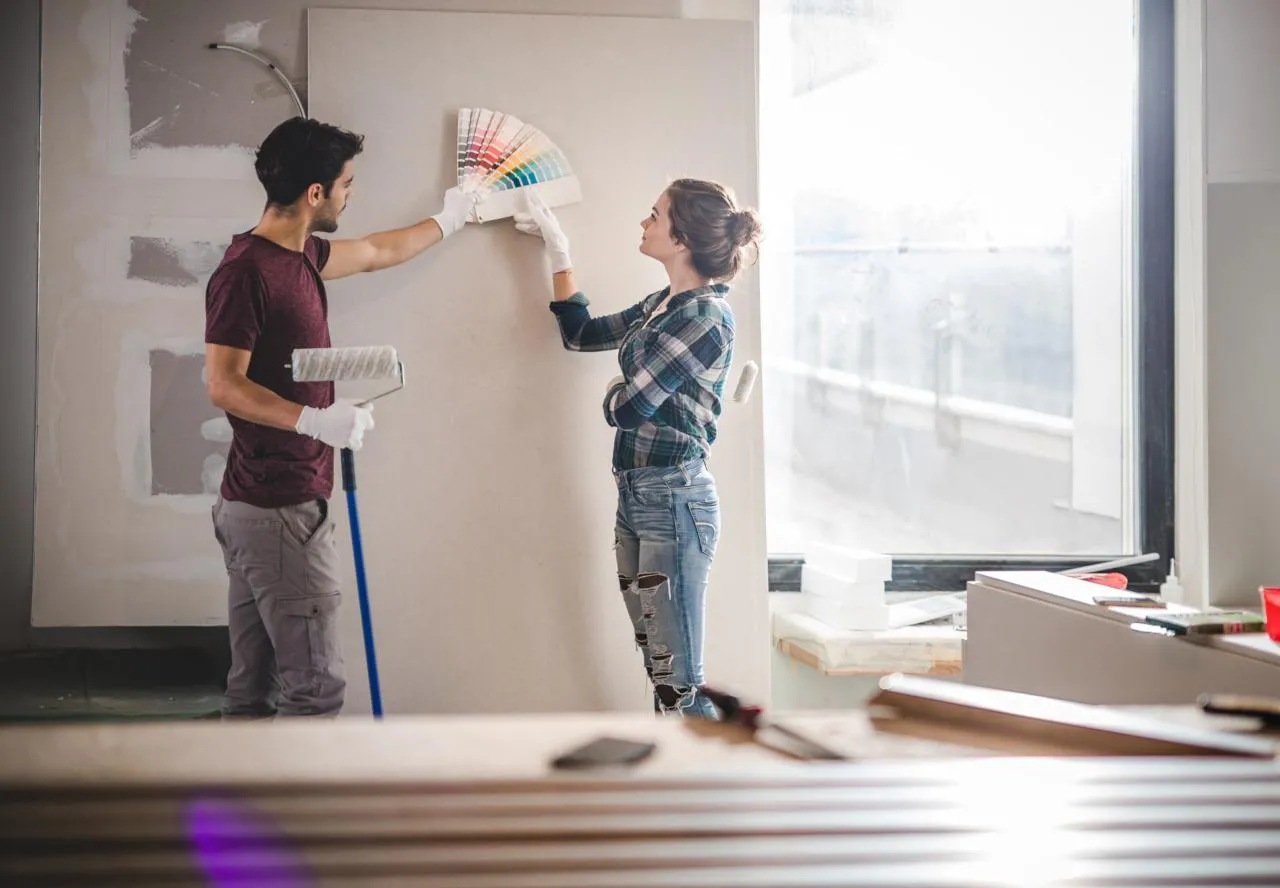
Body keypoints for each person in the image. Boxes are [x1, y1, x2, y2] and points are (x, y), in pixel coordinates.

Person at [204, 116, 477, 718]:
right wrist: (312, 421)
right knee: (315, 691)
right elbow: (223, 384)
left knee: (252, 689)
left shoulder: (298, 255)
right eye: (347, 184)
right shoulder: (247, 271)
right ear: (315, 194)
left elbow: (380, 251)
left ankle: (239, 807)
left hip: (261, 505)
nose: (353, 194)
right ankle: (303, 813)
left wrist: (455, 214)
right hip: (279, 509)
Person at [513, 179, 762, 717]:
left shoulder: (705, 318)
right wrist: (559, 251)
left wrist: (613, 396)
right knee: (660, 670)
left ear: (682, 237)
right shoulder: (662, 304)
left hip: (674, 500)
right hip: (637, 496)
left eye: (654, 215)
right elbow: (579, 334)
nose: (643, 223)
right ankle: (676, 791)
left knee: (679, 683)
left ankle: (706, 792)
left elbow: (629, 410)